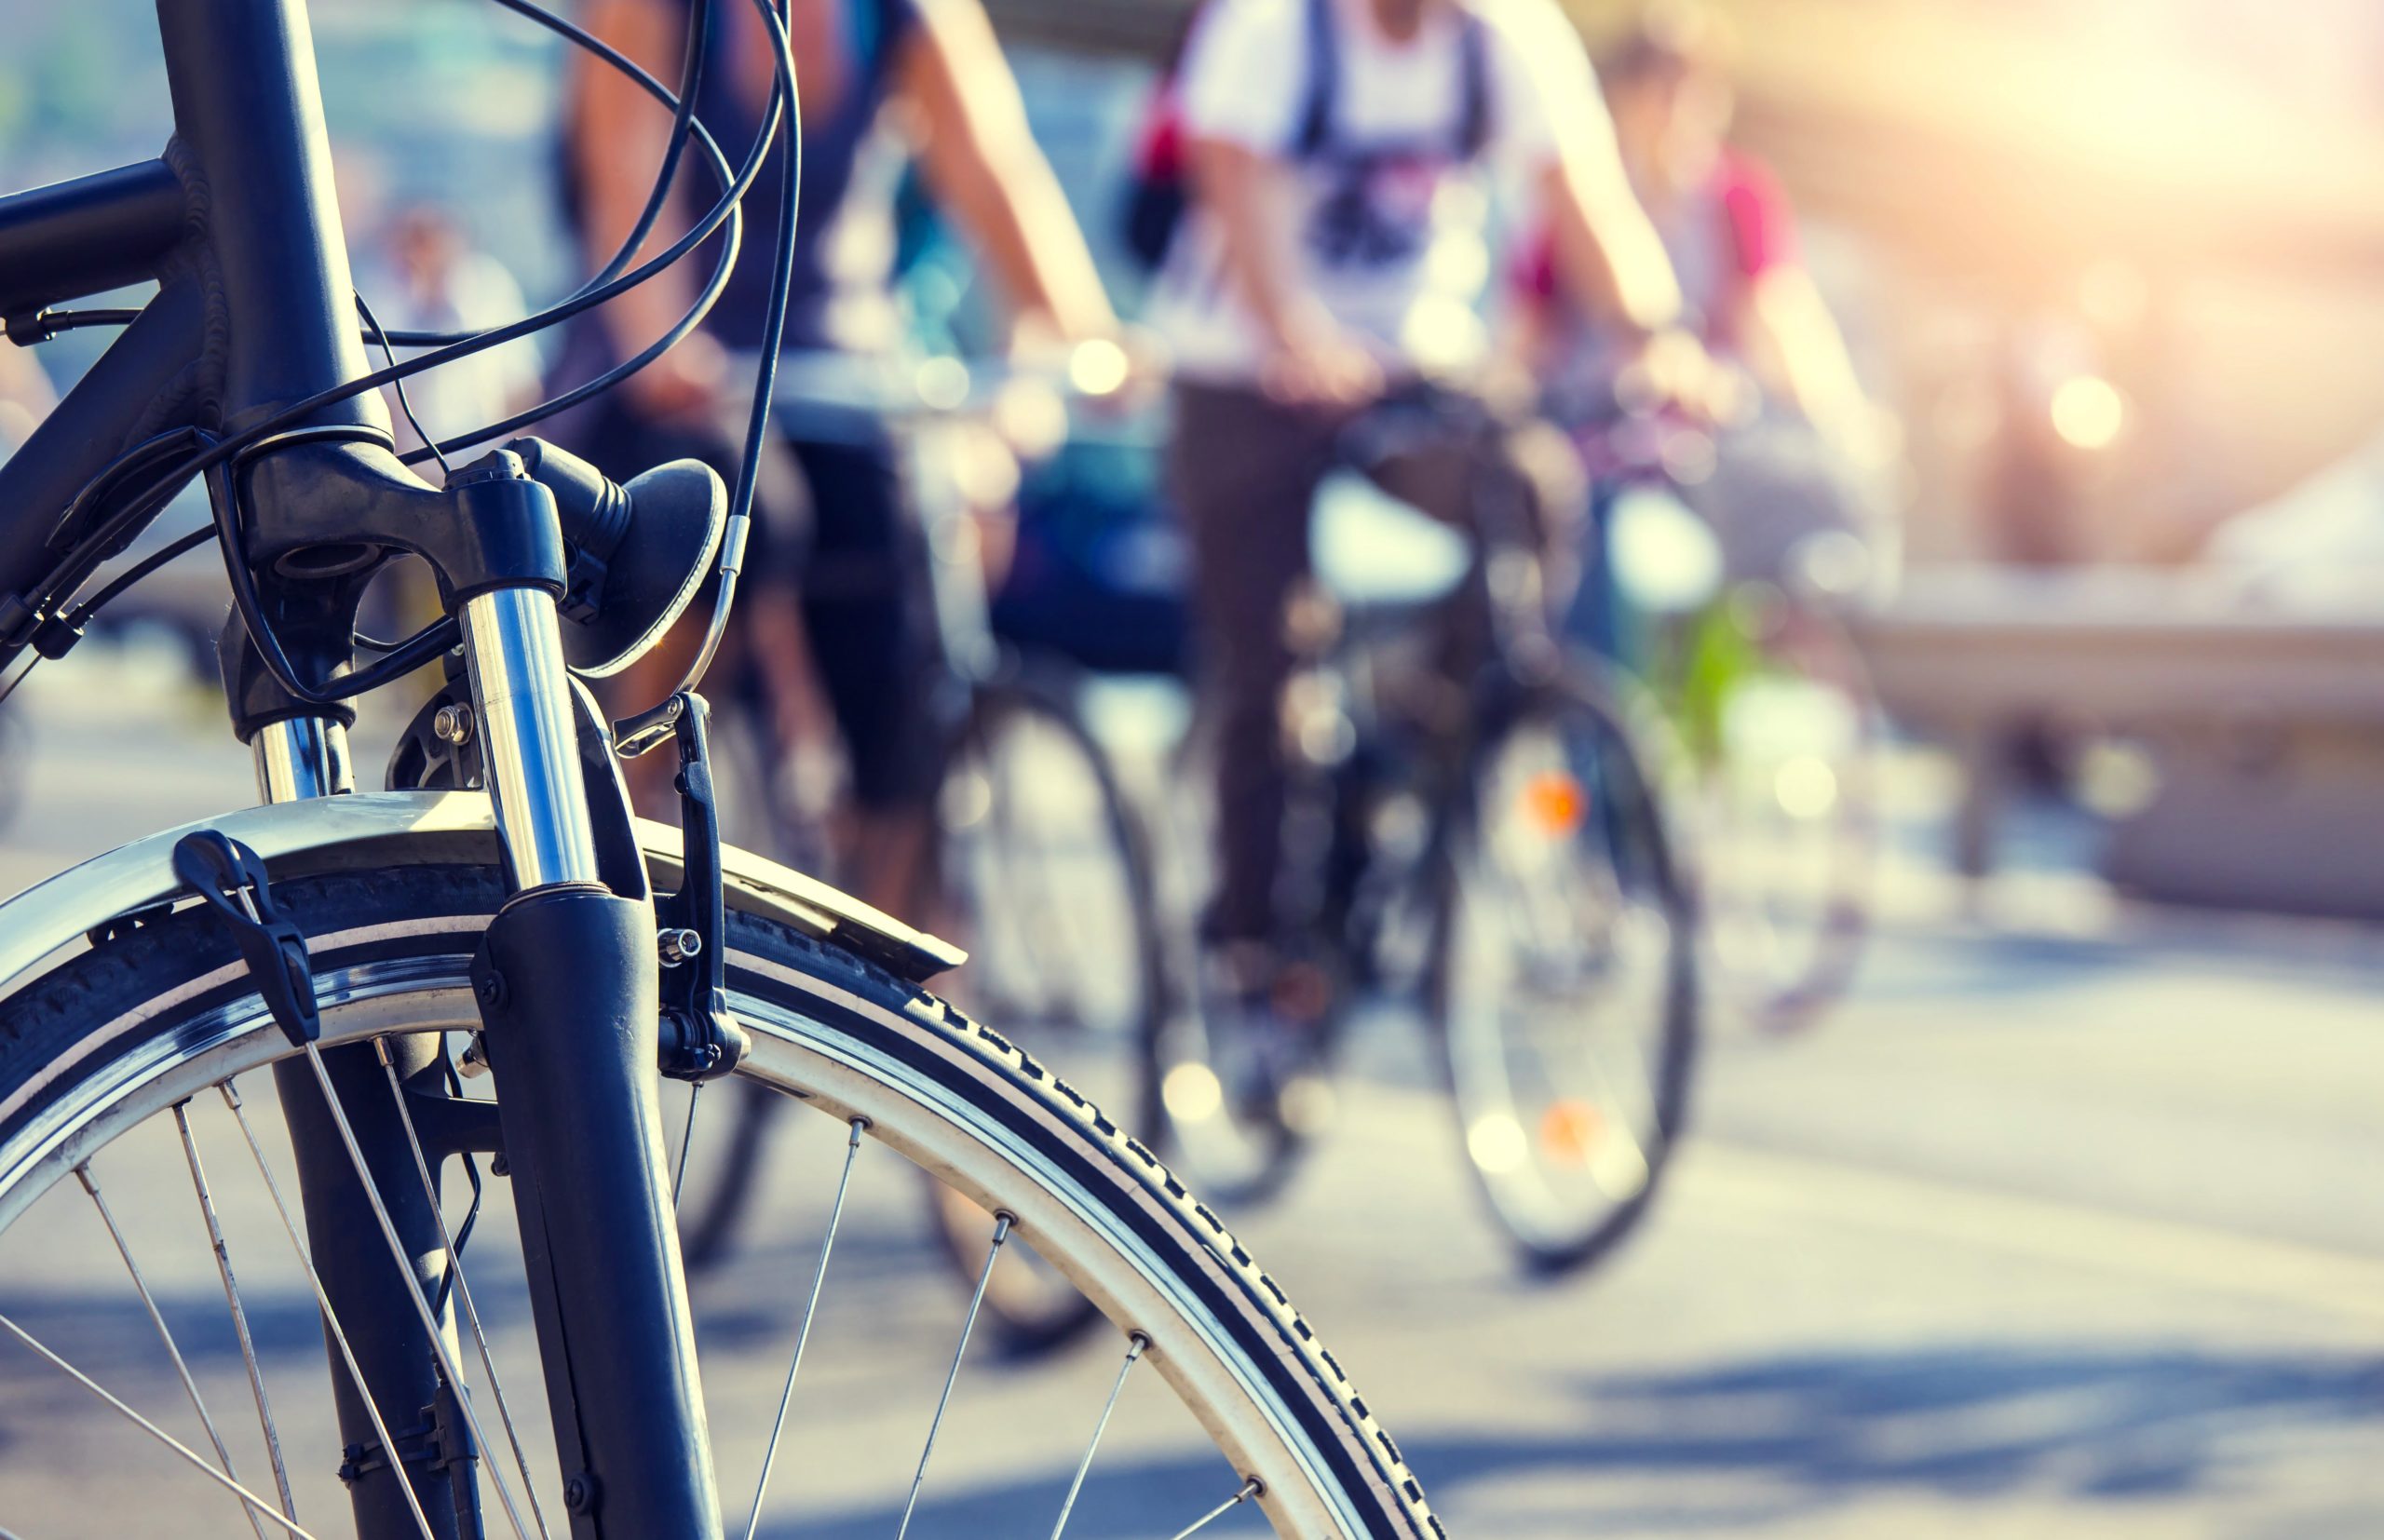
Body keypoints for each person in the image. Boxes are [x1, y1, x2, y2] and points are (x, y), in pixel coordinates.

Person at [1149, 0, 1702, 1058]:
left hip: (1408, 369)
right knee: (1267, 668)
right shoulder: (1270, 32)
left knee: (1529, 491)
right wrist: (1294, 335)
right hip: (1242, 370)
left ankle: (1413, 750)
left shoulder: (1504, 41)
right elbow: (1232, 188)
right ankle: (1255, 956)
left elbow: (1582, 199)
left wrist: (1656, 337)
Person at [559, 0, 1124, 913]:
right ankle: (618, 806)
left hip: (837, 372)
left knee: (902, 611)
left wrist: (1078, 336)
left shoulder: (896, 14)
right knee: (736, 518)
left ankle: (892, 947)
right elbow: (622, 169)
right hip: (677, 369)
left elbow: (994, 173)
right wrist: (667, 346)